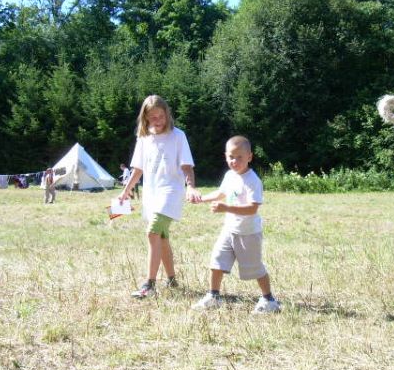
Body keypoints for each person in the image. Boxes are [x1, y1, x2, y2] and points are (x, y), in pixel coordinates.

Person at [118, 95, 201, 298]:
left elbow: (187, 166)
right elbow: (137, 169)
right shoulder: (144, 138)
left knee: (152, 232)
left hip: (171, 192)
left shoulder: (178, 136)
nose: (158, 120)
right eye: (152, 117)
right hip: (151, 194)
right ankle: (172, 280)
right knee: (162, 238)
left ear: (167, 114)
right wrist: (125, 191)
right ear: (145, 118)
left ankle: (149, 284)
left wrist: (190, 187)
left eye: (161, 116)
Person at [191, 135, 280, 314]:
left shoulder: (253, 181)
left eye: (240, 157)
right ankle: (213, 296)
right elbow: (221, 192)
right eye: (231, 156)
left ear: (250, 157)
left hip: (248, 233)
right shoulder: (230, 176)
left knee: (255, 268)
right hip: (229, 230)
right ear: (225, 156)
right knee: (216, 260)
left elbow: (252, 209)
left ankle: (269, 299)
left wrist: (226, 208)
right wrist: (201, 199)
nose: (235, 161)